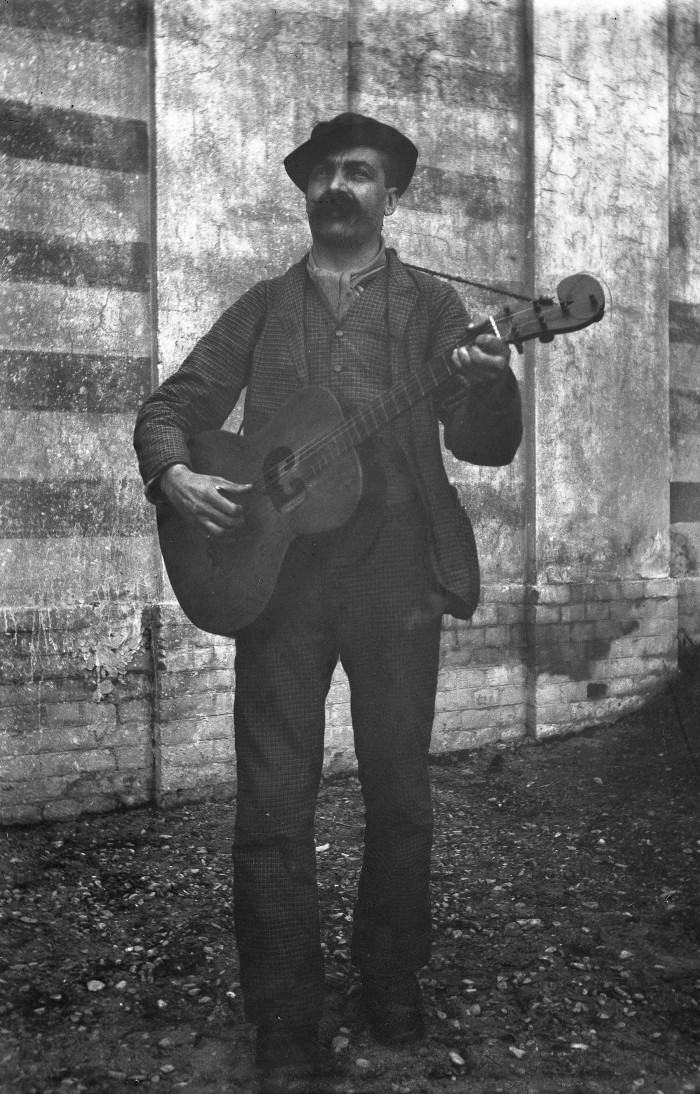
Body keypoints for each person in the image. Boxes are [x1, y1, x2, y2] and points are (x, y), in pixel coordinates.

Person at [134, 113, 522, 1093]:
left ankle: (390, 977)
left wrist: (492, 383)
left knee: (401, 801)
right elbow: (171, 407)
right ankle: (285, 1021)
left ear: (390, 194)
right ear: (305, 192)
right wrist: (174, 475)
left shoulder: (435, 307)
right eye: (326, 173)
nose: (341, 186)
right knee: (271, 808)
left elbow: (484, 443)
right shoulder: (263, 307)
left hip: (396, 580)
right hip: (280, 585)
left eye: (362, 172)